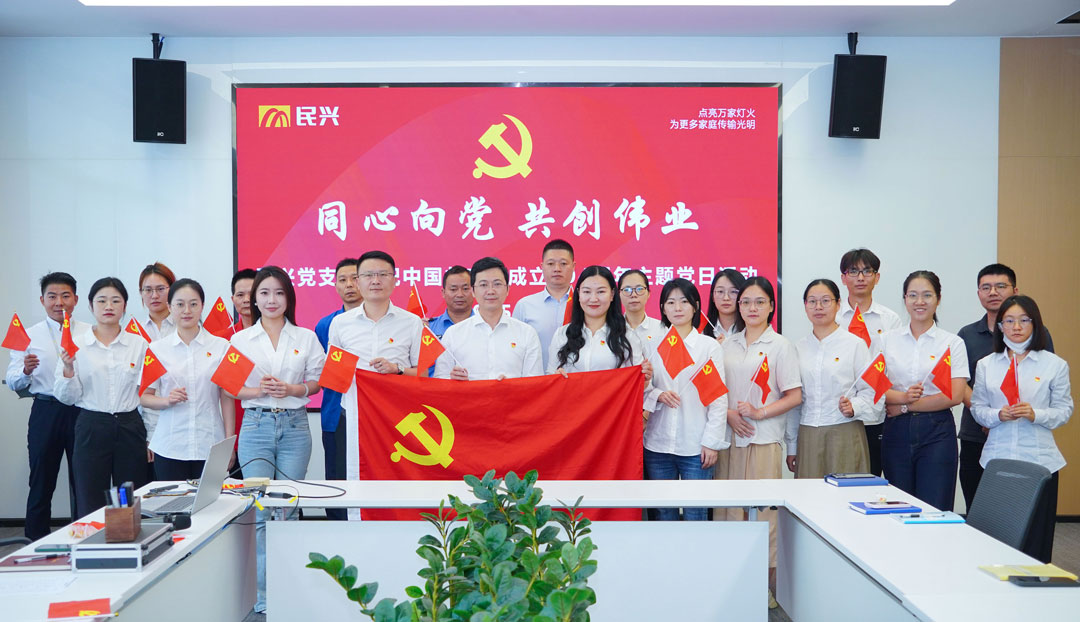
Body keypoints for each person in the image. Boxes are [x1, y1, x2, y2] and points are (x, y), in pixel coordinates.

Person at [229, 265, 325, 615]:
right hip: (255, 427)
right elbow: (232, 387)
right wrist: (259, 390)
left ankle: (291, 590)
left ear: (289, 298)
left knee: (288, 509)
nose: (272, 300)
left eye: (279, 293)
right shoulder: (241, 340)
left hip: (295, 428)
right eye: (265, 293)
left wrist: (293, 389)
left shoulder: (305, 337)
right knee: (260, 510)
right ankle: (264, 596)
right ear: (254, 299)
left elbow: (317, 381)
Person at [718, 276, 801, 604]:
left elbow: (794, 396)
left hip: (763, 440)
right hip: (729, 441)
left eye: (760, 302)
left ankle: (764, 589)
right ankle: (731, 586)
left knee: (763, 517)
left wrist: (759, 412)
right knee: (729, 514)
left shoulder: (780, 345)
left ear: (771, 307)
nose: (752, 308)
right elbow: (714, 392)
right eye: (746, 302)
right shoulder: (727, 344)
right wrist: (729, 414)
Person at [971, 295, 1071, 563]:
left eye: (1024, 320)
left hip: (1040, 462)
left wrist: (1035, 414)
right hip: (997, 460)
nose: (1016, 327)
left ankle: (1035, 582)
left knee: (1036, 541)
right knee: (996, 536)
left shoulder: (1054, 364)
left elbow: (1064, 410)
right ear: (1000, 326)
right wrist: (998, 415)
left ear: (1035, 324)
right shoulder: (987, 364)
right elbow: (977, 408)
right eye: (1009, 321)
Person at [327, 250, 422, 521]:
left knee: (397, 481)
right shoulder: (340, 323)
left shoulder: (411, 322)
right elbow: (333, 374)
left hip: (399, 420)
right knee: (354, 481)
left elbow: (424, 374)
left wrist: (397, 369)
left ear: (395, 280)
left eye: (383, 274)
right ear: (358, 281)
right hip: (353, 417)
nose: (376, 280)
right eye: (369, 275)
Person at [956, 264, 1054, 512]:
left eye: (1001, 286)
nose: (993, 292)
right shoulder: (966, 334)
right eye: (986, 287)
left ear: (1015, 291)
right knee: (979, 509)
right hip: (976, 434)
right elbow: (961, 382)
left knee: (1019, 513)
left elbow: (1045, 382)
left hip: (1024, 436)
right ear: (978, 293)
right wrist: (989, 417)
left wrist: (1012, 415)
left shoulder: (1038, 334)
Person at [54, 277, 150, 518]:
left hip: (130, 426)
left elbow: (148, 393)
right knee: (90, 495)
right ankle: (92, 540)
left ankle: (131, 540)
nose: (109, 306)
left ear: (125, 305)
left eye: (116, 301)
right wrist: (68, 369)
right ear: (90, 305)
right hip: (91, 425)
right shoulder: (76, 345)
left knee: (131, 496)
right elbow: (67, 397)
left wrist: (152, 436)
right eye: (102, 301)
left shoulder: (139, 345)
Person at [5, 272, 89, 539]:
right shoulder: (28, 336)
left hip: (82, 411)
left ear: (76, 299)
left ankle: (85, 539)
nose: (59, 302)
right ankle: (34, 541)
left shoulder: (90, 333)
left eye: (65, 296)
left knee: (84, 481)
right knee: (41, 480)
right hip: (46, 411)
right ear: (42, 300)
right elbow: (12, 380)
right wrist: (25, 371)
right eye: (52, 296)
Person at [642, 278, 728, 521]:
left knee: (696, 511)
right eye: (670, 302)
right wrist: (658, 394)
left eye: (684, 301)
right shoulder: (653, 345)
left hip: (695, 444)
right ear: (662, 308)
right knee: (663, 511)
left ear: (695, 306)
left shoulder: (708, 347)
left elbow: (718, 399)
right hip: (658, 444)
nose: (677, 308)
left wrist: (711, 442)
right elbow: (642, 389)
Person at [881, 270, 968, 512]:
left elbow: (954, 395)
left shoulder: (952, 343)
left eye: (927, 295)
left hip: (937, 432)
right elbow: (876, 388)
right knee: (898, 507)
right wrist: (901, 399)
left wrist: (904, 405)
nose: (920, 301)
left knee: (934, 508)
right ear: (905, 299)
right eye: (913, 295)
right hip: (896, 431)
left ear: (938, 299)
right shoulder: (886, 340)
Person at [139, 279, 236, 480]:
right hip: (170, 445)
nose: (187, 311)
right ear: (169, 307)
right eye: (180, 304)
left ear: (202, 306)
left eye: (193, 304)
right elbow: (145, 397)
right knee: (173, 500)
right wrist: (166, 400)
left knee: (211, 500)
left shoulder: (221, 347)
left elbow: (226, 398)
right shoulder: (156, 349)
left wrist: (229, 443)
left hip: (210, 442)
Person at [785, 279, 881, 479]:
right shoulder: (798, 348)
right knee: (808, 495)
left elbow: (873, 391)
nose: (818, 307)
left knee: (845, 494)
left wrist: (854, 407)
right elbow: (794, 402)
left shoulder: (855, 344)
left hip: (845, 431)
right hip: (808, 434)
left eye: (825, 301)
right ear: (805, 306)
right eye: (812, 301)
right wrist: (792, 445)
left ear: (838, 304)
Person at [837, 248, 903, 477]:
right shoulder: (833, 316)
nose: (861, 277)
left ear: (877, 277)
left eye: (867, 271)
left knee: (873, 481)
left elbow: (894, 367)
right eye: (853, 271)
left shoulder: (890, 319)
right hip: (841, 415)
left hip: (879, 416)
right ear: (843, 278)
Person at [436, 257, 543, 380]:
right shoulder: (453, 334)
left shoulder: (527, 333)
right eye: (483, 285)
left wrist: (511, 386)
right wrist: (455, 382)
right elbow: (441, 380)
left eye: (497, 284)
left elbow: (535, 383)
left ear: (507, 289)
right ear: (473, 291)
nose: (491, 291)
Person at [313, 258, 361, 520]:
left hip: (374, 418)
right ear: (335, 285)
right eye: (343, 280)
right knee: (337, 481)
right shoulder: (325, 325)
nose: (349, 285)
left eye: (355, 278)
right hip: (335, 415)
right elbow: (321, 372)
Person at [548, 265, 648, 377]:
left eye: (601, 292)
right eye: (587, 292)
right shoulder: (562, 334)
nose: (593, 299)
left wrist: (645, 378)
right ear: (579, 294)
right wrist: (556, 377)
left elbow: (637, 381)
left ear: (612, 294)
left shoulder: (628, 336)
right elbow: (550, 375)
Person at [138, 261, 177, 478]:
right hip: (146, 424)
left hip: (182, 421)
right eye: (148, 290)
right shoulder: (134, 334)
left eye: (161, 289)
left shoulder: (187, 327)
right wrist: (149, 435)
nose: (154, 295)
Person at [512, 239, 575, 369]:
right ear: (542, 266)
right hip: (537, 378)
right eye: (551, 263)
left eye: (563, 263)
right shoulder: (525, 305)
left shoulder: (585, 304)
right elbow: (514, 349)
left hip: (577, 378)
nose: (557, 269)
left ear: (573, 266)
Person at [618, 269, 664, 353]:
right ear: (619, 294)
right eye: (627, 290)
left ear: (648, 293)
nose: (633, 295)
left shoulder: (661, 329)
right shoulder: (611, 329)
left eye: (639, 289)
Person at [427, 265, 475, 339]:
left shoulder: (485, 325)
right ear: (443, 292)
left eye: (465, 288)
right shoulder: (429, 328)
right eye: (453, 289)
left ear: (474, 291)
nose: (459, 294)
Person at [703, 268, 747, 344]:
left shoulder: (750, 329)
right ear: (713, 296)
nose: (726, 298)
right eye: (720, 291)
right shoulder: (702, 331)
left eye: (733, 292)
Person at [213, 268, 257, 338]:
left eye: (252, 294)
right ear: (233, 300)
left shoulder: (274, 335)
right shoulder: (221, 339)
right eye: (240, 295)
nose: (246, 300)